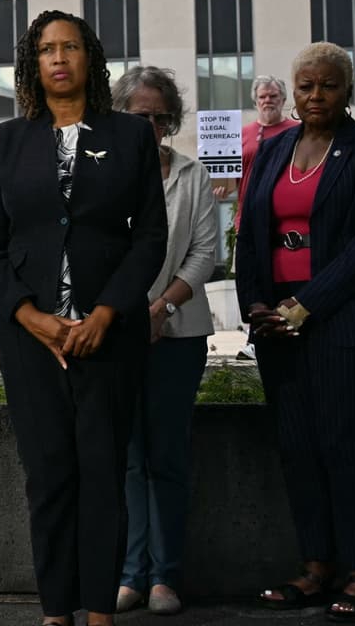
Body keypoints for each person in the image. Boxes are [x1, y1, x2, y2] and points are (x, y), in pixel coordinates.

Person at [0, 10, 167, 626]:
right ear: (33, 63)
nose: (59, 58)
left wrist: (107, 311)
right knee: (49, 474)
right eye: (47, 49)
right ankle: (57, 610)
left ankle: (101, 610)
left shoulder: (132, 135)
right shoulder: (7, 140)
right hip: (30, 337)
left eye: (71, 47)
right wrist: (29, 315)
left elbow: (151, 238)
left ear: (91, 57)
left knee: (104, 472)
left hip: (108, 334)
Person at [236, 43, 355, 622]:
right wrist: (257, 307)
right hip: (277, 327)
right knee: (296, 446)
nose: (315, 96)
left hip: (349, 321)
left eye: (328, 86)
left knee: (343, 442)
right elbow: (250, 232)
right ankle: (316, 568)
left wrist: (303, 307)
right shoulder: (273, 149)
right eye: (305, 86)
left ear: (347, 90)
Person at [111, 67, 217, 616]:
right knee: (129, 458)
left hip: (178, 333)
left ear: (170, 120)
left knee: (167, 456)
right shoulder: (103, 174)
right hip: (117, 333)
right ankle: (132, 574)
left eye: (158, 117)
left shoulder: (192, 175)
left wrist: (161, 307)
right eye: (138, 116)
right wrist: (128, 314)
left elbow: (205, 254)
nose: (149, 126)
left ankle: (165, 578)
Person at [219, 76, 300, 361]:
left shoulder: (298, 132)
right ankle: (256, 337)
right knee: (251, 279)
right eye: (263, 96)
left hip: (285, 222)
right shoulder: (240, 135)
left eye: (274, 96)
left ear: (283, 99)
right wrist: (221, 186)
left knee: (283, 280)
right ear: (255, 100)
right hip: (248, 220)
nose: (268, 100)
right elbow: (229, 182)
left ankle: (282, 332)